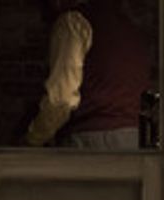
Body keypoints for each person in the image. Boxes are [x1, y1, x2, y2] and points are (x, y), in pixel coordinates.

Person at [25, 0, 151, 150]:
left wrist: (33, 138)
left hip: (90, 140)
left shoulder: (73, 22)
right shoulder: (132, 29)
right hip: (135, 140)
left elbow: (62, 100)